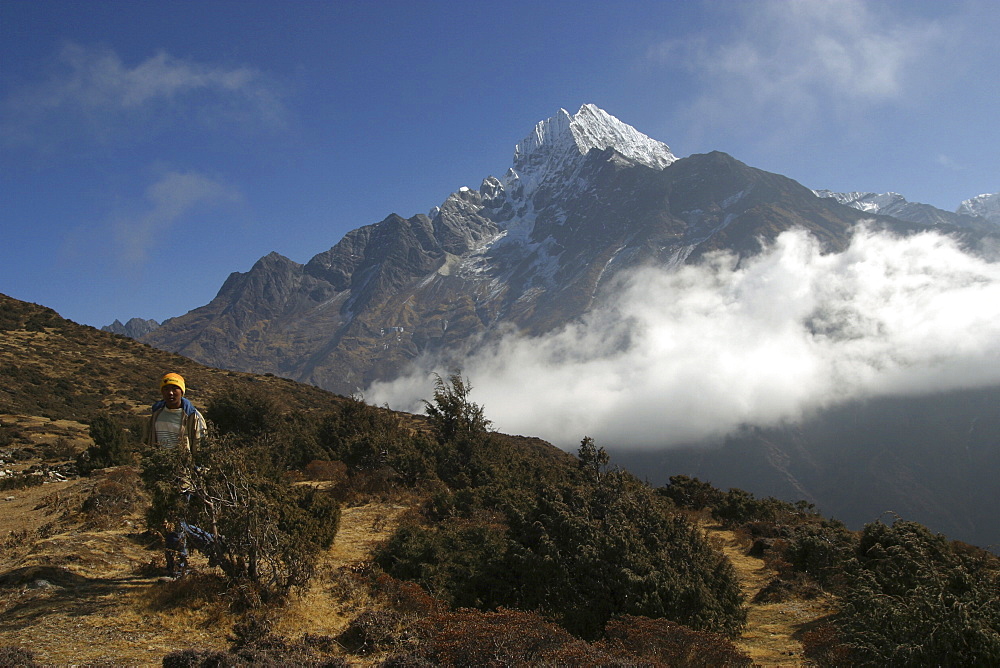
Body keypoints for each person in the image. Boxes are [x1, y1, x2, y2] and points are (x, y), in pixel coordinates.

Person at [144, 372, 207, 578]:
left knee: (176, 522)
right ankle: (175, 566)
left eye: (175, 388)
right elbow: (147, 442)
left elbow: (201, 448)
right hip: (160, 476)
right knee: (168, 523)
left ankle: (179, 569)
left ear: (182, 391)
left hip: (182, 477)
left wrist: (200, 473)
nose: (170, 393)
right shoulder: (156, 413)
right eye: (166, 389)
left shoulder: (192, 416)